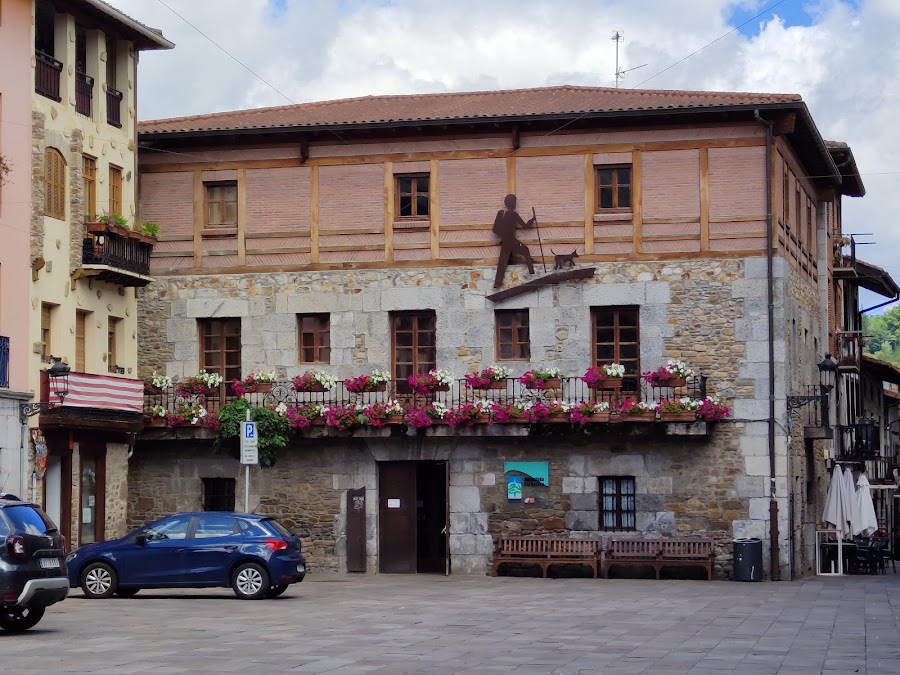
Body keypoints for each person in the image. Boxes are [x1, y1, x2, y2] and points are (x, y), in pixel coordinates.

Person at [493, 194, 536, 288]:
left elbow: (494, 229)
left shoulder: (500, 213)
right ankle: (532, 272)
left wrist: (503, 235)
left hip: (505, 241)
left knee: (502, 262)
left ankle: (497, 284)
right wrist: (532, 220)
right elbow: (525, 226)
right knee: (525, 250)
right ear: (513, 203)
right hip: (512, 241)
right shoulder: (513, 214)